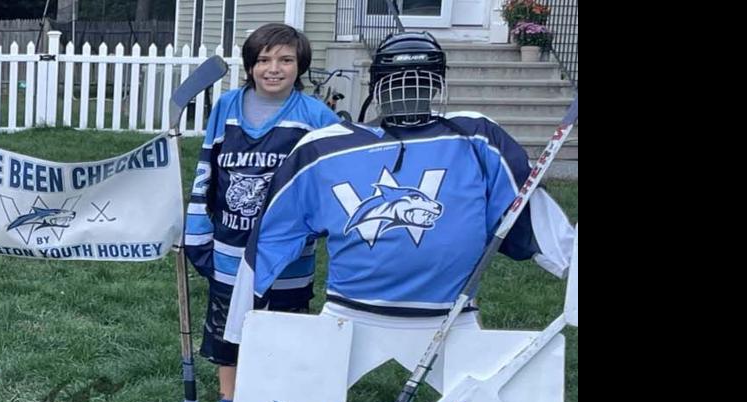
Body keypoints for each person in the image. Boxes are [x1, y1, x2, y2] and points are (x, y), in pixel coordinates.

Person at [228, 31, 569, 343]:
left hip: (452, 313)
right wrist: (242, 317)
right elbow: (271, 233)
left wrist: (570, 259)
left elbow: (526, 210)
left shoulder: (479, 137)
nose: (408, 91)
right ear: (377, 86)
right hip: (349, 311)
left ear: (436, 84)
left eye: (420, 81)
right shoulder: (323, 147)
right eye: (397, 81)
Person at [183, 23, 340, 402]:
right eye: (264, 60)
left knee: (283, 333)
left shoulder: (314, 115)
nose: (274, 69)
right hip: (231, 248)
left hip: (288, 254)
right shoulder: (228, 106)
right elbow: (206, 170)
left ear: (299, 66)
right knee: (226, 336)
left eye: (285, 60)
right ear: (250, 66)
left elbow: (334, 178)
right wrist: (197, 229)